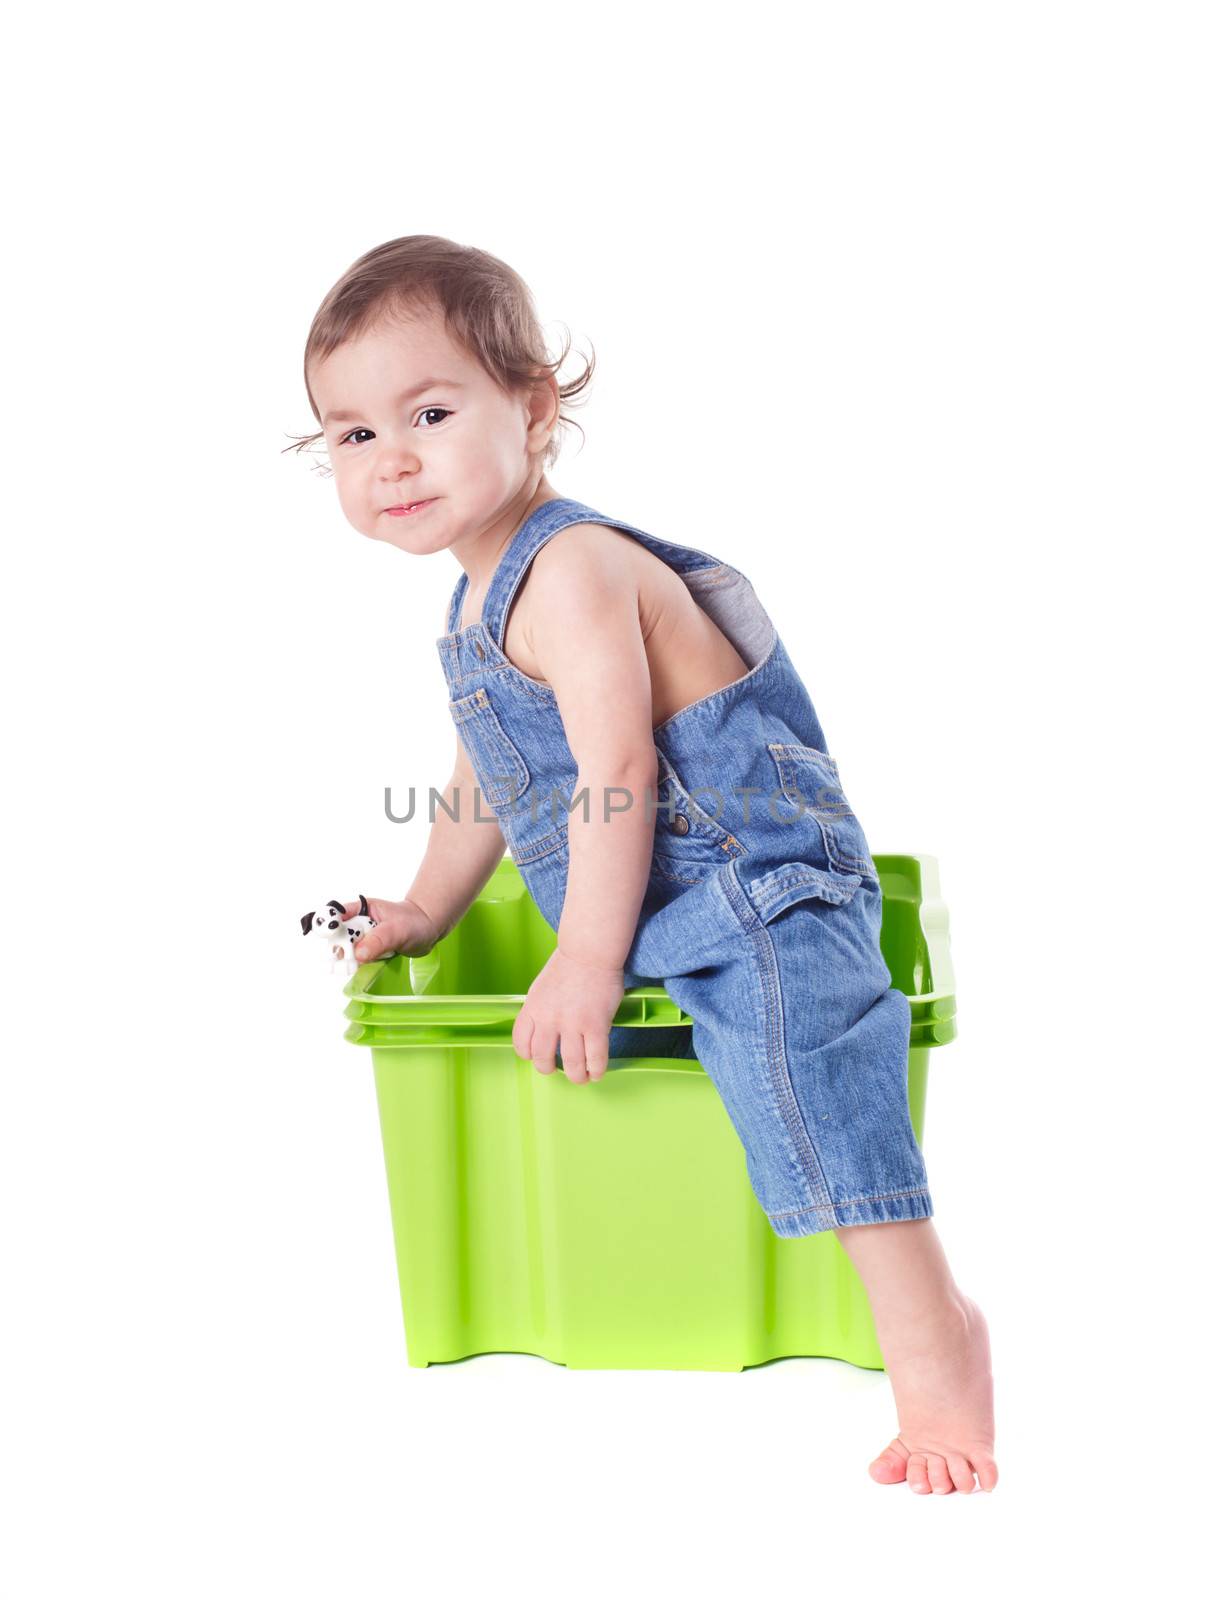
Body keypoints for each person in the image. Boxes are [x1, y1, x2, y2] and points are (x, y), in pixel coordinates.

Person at [289, 234, 997, 1495]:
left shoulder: (569, 570)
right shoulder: (471, 602)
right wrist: (426, 903)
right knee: (760, 1068)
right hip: (673, 902)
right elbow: (490, 784)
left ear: (535, 407)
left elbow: (622, 775)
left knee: (811, 1071)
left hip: (760, 885)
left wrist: (584, 957)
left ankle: (941, 1361)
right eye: (350, 434)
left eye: (430, 412)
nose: (389, 456)